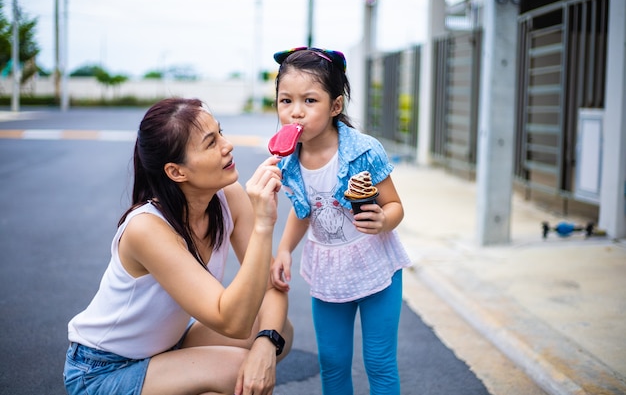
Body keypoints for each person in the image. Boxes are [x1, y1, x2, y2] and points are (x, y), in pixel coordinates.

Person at [64, 98, 293, 395]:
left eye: (221, 133)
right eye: (211, 143)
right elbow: (231, 322)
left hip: (165, 349)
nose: (227, 145)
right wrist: (263, 224)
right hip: (102, 370)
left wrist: (265, 344)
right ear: (176, 172)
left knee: (278, 331)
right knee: (237, 370)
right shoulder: (146, 228)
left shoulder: (228, 197)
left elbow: (271, 287)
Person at [269, 47, 412, 395]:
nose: (295, 113)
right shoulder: (286, 161)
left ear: (335, 107)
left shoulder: (364, 150)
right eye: (285, 101)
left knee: (379, 361)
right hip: (329, 271)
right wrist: (285, 249)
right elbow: (304, 212)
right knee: (332, 362)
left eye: (309, 101)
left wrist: (383, 220)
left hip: (376, 266)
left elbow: (395, 205)